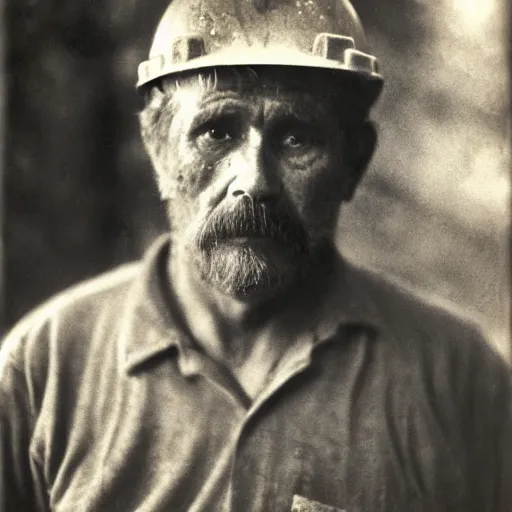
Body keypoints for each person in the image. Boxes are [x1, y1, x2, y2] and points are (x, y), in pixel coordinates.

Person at [1, 0, 510, 510]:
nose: (255, 182)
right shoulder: (40, 374)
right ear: (158, 149)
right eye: (216, 131)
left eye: (296, 137)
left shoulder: (462, 383)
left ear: (355, 162)